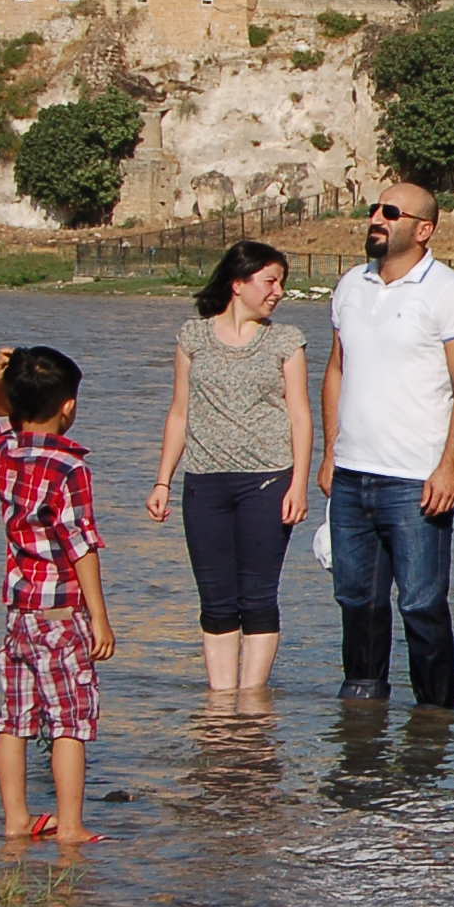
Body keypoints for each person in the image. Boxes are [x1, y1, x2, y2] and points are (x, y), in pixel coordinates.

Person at [322, 182, 454, 710]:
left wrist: (450, 467)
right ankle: (362, 704)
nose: (377, 217)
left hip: (415, 479)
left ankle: (435, 716)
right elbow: (337, 369)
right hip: (351, 474)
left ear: (424, 229)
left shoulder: (448, 291)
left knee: (420, 604)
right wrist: (330, 453)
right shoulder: (350, 284)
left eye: (391, 212)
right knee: (357, 600)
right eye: (374, 208)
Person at [146, 239, 310, 692]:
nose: (278, 291)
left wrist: (298, 483)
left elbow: (300, 415)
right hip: (204, 484)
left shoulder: (285, 341)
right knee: (216, 601)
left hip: (268, 481)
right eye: (270, 281)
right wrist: (163, 480)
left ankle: (253, 702)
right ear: (239, 283)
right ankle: (220, 704)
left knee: (257, 597)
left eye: (282, 283)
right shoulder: (192, 337)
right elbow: (179, 411)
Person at [0, 345, 113, 843]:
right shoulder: (70, 468)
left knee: (15, 719)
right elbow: (81, 543)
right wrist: (100, 618)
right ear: (68, 405)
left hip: (19, 611)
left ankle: (17, 819)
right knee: (70, 721)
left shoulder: (7, 452)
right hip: (60, 614)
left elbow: (0, 417)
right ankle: (72, 825)